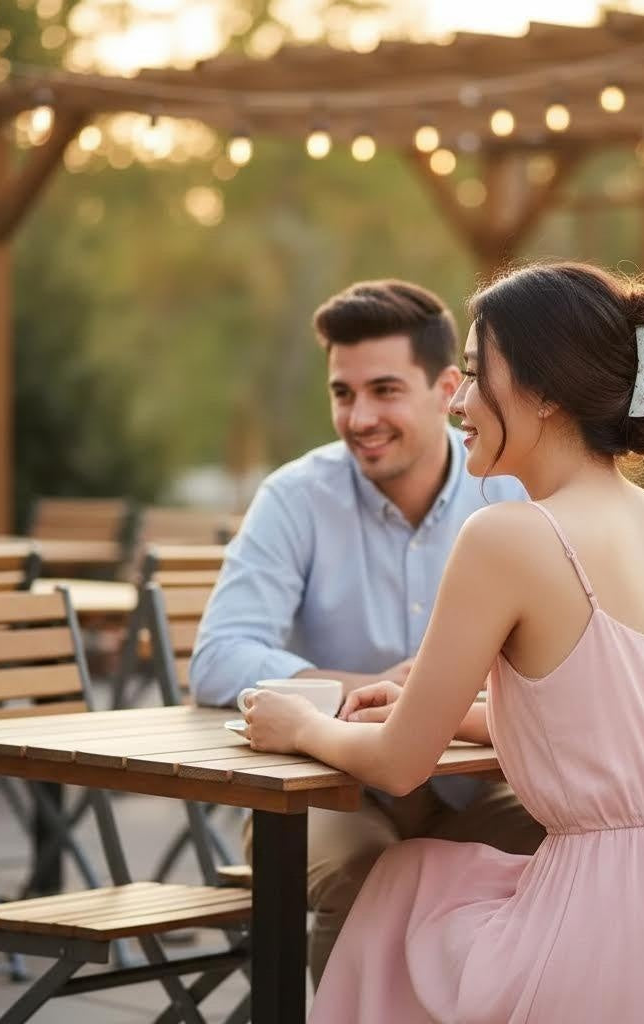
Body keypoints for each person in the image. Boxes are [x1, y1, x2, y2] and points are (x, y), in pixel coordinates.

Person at [243, 262, 644, 1022]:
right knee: (420, 879)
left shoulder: (507, 536)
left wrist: (302, 725)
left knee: (399, 888)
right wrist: (454, 714)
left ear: (545, 392)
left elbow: (399, 765)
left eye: (475, 376)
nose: (458, 401)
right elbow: (616, 729)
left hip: (605, 948)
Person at [189, 279, 544, 985]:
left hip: (474, 784)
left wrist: (434, 703)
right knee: (365, 875)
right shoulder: (296, 496)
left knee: (569, 847)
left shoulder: (511, 491)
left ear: (447, 390)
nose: (359, 418)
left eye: (384, 391)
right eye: (342, 393)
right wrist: (373, 687)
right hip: (326, 787)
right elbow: (219, 657)